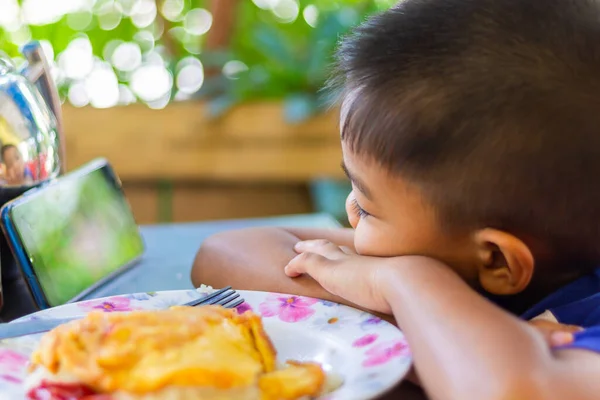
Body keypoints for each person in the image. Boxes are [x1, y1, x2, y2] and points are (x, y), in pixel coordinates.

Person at [192, 0, 600, 398]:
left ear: (496, 259)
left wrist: (404, 280)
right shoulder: (457, 250)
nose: (350, 212)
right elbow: (224, 253)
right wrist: (431, 335)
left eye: (368, 208)